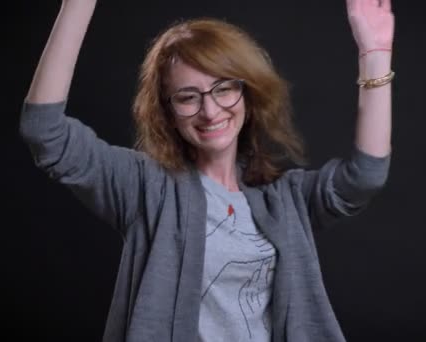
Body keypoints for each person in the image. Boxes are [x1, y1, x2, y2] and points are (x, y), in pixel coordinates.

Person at [19, 0, 394, 341]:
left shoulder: (285, 199)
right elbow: (45, 133)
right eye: (187, 97)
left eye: (223, 89)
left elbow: (364, 178)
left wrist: (374, 56)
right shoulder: (146, 187)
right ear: (167, 112)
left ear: (247, 93)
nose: (210, 111)